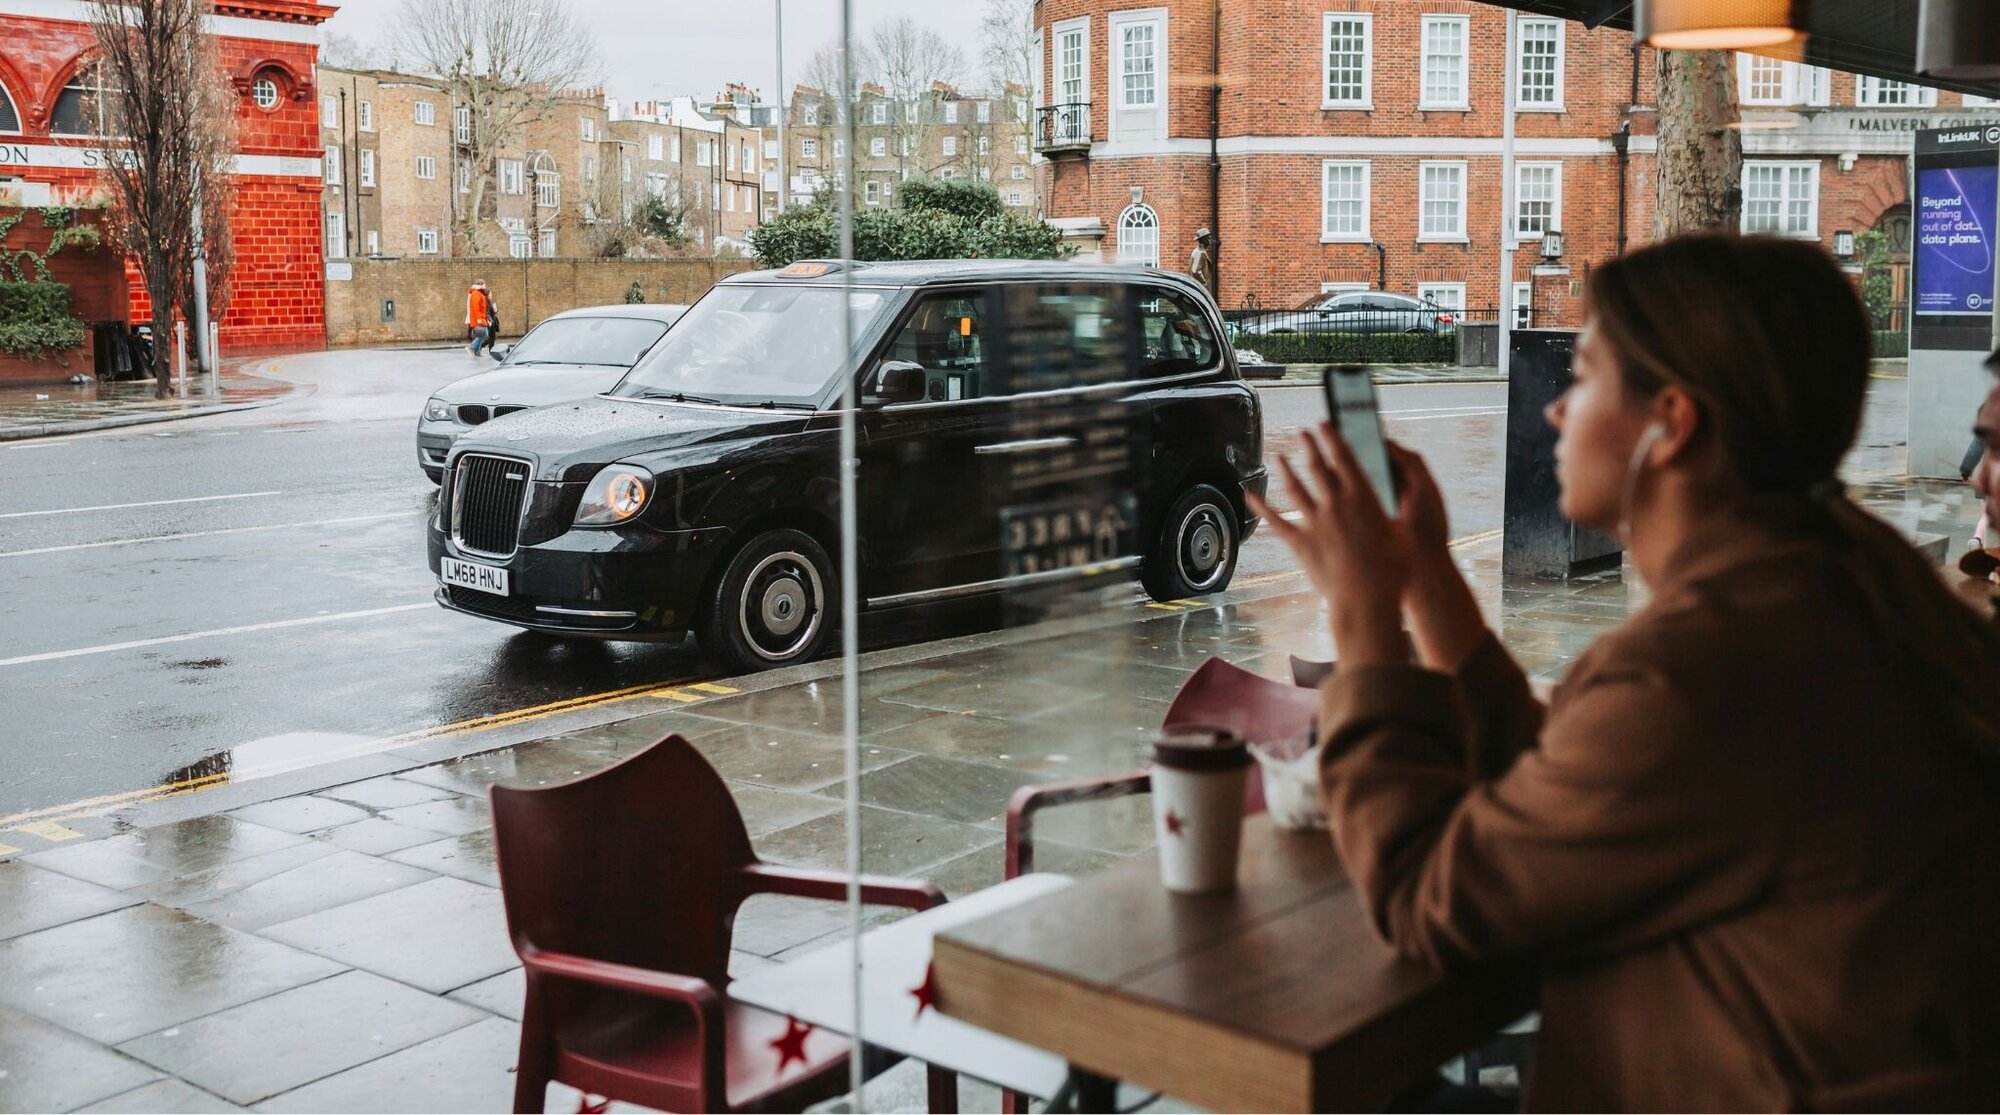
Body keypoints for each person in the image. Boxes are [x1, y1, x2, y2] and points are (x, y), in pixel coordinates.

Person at [1250, 234, 2000, 1110]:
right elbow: (1583, 788)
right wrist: (1431, 581)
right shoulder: (1849, 577)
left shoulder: (1709, 668)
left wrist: (1363, 615)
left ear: (1671, 422)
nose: (1559, 412)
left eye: (1586, 373)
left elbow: (1431, 900)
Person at [467, 280, 497, 359]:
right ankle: (471, 347)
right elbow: (475, 307)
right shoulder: (476, 294)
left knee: (484, 334)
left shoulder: (479, 294)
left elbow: (483, 309)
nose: (485, 286)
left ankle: (477, 351)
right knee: (482, 334)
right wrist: (478, 319)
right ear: (479, 285)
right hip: (479, 319)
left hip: (482, 318)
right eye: (484, 285)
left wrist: (486, 320)